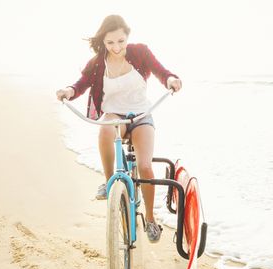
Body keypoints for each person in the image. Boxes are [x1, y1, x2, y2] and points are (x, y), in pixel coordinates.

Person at [56, 15, 182, 243]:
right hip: (115, 115)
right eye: (110, 42)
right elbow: (80, 84)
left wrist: (171, 79)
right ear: (103, 42)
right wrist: (68, 91)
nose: (116, 47)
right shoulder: (97, 63)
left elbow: (161, 71)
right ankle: (110, 182)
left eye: (121, 41)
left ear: (127, 37)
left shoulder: (140, 52)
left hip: (142, 114)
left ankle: (151, 220)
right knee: (105, 130)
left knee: (145, 166)